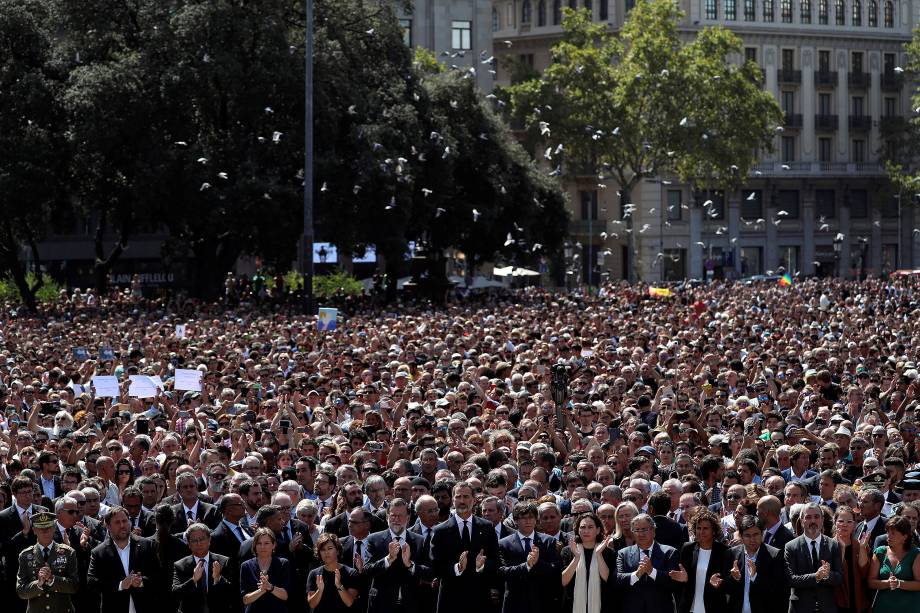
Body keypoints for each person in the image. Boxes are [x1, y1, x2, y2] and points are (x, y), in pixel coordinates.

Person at [429, 481, 500, 613]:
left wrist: (482, 566)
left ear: (473, 500)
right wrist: (457, 568)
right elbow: (435, 566)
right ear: (453, 500)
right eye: (458, 496)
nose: (462, 500)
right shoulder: (440, 530)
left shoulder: (486, 527)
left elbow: (496, 561)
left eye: (466, 497)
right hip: (451, 599)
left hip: (479, 598)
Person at [86, 505, 159, 613]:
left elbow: (158, 575)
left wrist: (141, 581)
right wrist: (120, 585)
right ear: (108, 526)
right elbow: (92, 582)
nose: (122, 525)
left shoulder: (147, 545)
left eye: (125, 521)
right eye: (117, 522)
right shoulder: (99, 552)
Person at [362, 498, 429, 613]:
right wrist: (388, 559)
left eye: (400, 516)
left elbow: (429, 572)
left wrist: (410, 564)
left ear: (408, 518)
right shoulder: (374, 539)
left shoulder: (420, 541)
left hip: (412, 605)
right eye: (393, 515)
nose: (396, 519)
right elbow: (367, 570)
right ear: (387, 517)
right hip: (382, 605)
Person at [497, 501, 562, 613]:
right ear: (516, 520)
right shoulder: (504, 544)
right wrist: (526, 566)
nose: (528, 521)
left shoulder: (548, 541)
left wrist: (537, 563)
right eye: (523, 518)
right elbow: (502, 572)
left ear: (536, 519)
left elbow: (555, 570)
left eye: (531, 517)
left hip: (542, 603)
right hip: (514, 603)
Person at [15, 511, 79, 613]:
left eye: (48, 528)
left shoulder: (68, 553)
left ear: (54, 528)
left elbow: (74, 586)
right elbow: (21, 591)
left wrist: (53, 579)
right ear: (34, 530)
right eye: (41, 529)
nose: (45, 532)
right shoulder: (25, 555)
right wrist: (38, 584)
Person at [784, 502, 843, 613]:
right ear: (802, 521)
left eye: (816, 517)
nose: (813, 521)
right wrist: (816, 576)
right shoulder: (791, 546)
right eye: (808, 517)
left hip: (827, 607)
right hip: (800, 607)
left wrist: (827, 575)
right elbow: (791, 579)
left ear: (822, 520)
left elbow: (839, 577)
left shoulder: (833, 545)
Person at [1, 476, 48, 613]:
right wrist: (24, 533)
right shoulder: (3, 517)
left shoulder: (43, 512)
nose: (28, 496)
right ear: (14, 494)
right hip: (16, 573)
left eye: (30, 491)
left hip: (41, 570)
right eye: (24, 492)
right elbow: (4, 547)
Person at [615, 513, 679, 613]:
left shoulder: (669, 552)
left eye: (644, 529)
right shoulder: (623, 553)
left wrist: (652, 572)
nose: (641, 534)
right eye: (636, 530)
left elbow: (673, 582)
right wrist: (636, 574)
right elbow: (618, 579)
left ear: (653, 531)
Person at [723, 515, 788, 613]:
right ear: (741, 536)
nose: (752, 539)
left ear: (762, 534)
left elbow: (778, 591)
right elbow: (727, 590)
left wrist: (755, 577)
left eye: (756, 534)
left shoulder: (774, 555)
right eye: (747, 535)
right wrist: (734, 578)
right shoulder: (731, 554)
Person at [671, 509, 729, 613]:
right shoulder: (687, 548)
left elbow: (729, 582)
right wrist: (683, 579)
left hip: (714, 607)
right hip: (689, 607)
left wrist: (721, 583)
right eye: (698, 528)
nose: (701, 532)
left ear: (714, 530)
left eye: (705, 528)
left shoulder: (724, 551)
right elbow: (680, 580)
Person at [171, 523, 234, 613]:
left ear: (209, 540)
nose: (199, 543)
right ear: (188, 544)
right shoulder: (180, 565)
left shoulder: (223, 561)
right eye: (194, 540)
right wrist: (193, 580)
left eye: (202, 539)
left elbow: (232, 593)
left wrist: (218, 578)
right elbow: (176, 594)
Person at [560, 512, 612, 613]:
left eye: (590, 527)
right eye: (583, 527)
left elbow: (606, 578)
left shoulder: (607, 552)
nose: (586, 531)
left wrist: (598, 554)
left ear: (598, 530)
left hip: (602, 606)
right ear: (578, 530)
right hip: (572, 606)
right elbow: (564, 581)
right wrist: (576, 558)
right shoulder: (568, 551)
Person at [867, 516, 920, 611]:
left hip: (910, 608)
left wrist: (899, 583)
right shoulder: (880, 552)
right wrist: (887, 583)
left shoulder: (916, 553)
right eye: (888, 532)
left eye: (893, 533)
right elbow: (871, 582)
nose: (888, 536)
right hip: (883, 608)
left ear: (905, 536)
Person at [240, 527, 292, 613]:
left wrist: (270, 587)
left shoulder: (283, 563)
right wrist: (261, 590)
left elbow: (285, 595)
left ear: (273, 545)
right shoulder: (246, 566)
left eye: (266, 543)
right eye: (259, 543)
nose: (262, 547)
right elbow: (246, 599)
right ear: (254, 545)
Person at [830, 505, 870, 613]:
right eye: (841, 521)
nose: (845, 525)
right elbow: (833, 575)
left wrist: (862, 548)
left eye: (849, 521)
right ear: (835, 522)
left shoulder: (860, 545)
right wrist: (841, 551)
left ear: (854, 524)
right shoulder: (828, 546)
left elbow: (865, 573)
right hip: (837, 602)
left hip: (858, 601)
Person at [306, 533, 360, 613]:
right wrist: (320, 590)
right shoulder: (314, 574)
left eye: (330, 548)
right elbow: (312, 604)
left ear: (337, 551)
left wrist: (339, 585)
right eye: (323, 550)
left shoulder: (351, 573)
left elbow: (349, 602)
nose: (326, 552)